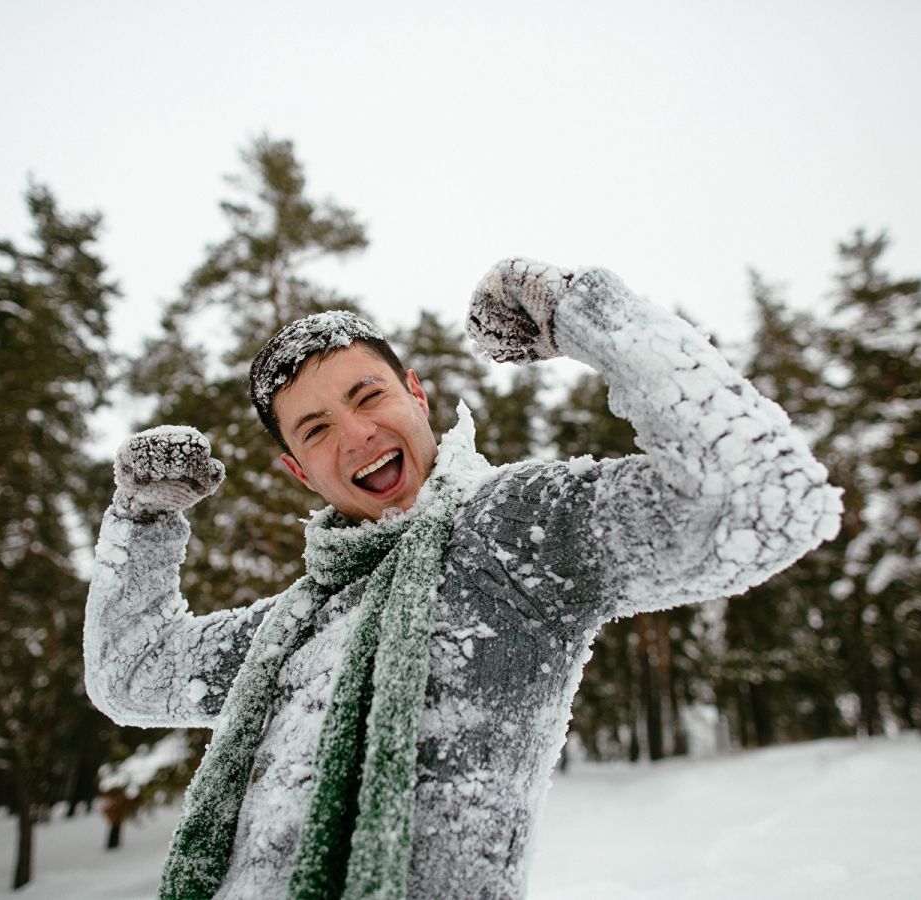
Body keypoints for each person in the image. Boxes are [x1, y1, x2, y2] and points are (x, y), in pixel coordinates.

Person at [84, 258, 842, 900]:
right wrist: (143, 521)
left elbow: (765, 499)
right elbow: (132, 673)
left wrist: (579, 311)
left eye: (368, 396)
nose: (356, 435)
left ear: (417, 394)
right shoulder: (293, 626)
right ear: (298, 471)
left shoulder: (516, 533)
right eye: (315, 430)